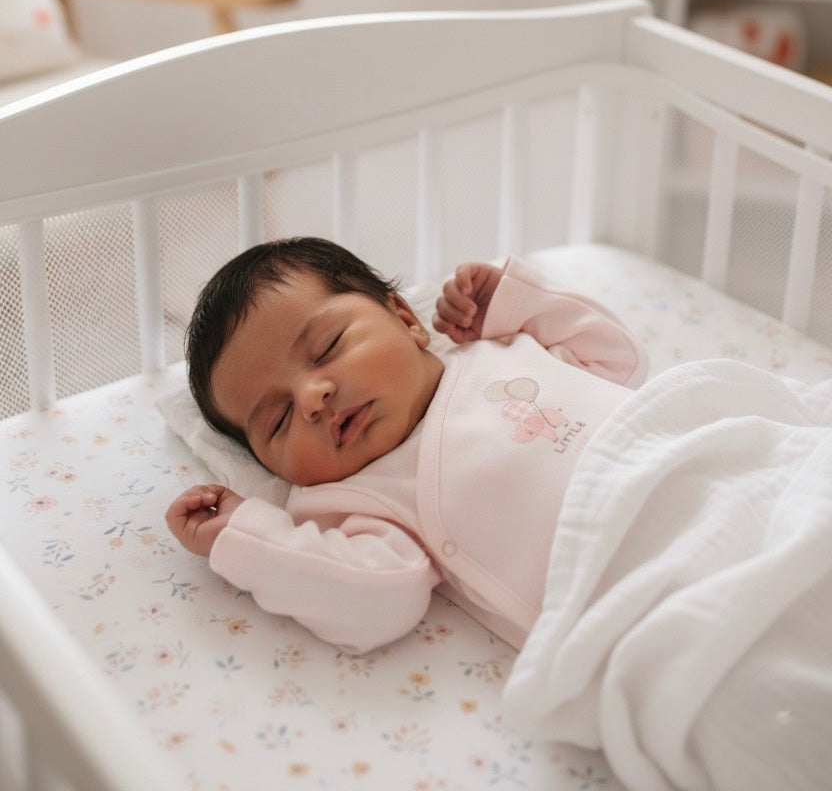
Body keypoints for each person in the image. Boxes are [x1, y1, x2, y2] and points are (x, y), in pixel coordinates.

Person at [165, 237, 648, 653]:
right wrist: (245, 535)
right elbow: (380, 598)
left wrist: (513, 300)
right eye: (279, 419)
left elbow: (618, 361)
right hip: (623, 594)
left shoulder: (500, 348)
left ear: (404, 318)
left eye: (328, 347)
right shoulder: (360, 497)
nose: (312, 398)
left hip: (683, 459)